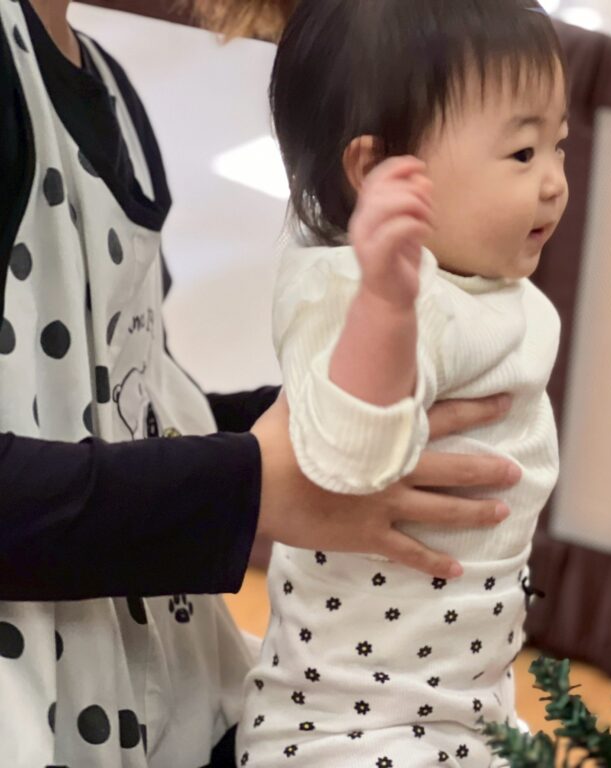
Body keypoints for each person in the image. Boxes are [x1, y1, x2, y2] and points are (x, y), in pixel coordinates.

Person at [0, 0, 523, 764]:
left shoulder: (104, 88)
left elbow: (118, 407)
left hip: (151, 698)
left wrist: (324, 419)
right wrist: (254, 482)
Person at [236, 0, 568, 764]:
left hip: (464, 703)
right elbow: (347, 454)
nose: (553, 181)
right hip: (347, 731)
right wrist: (385, 301)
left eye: (559, 145)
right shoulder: (352, 290)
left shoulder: (485, 287)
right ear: (376, 171)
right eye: (522, 153)